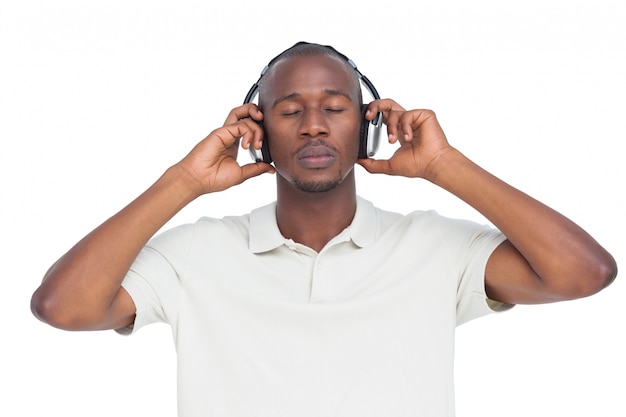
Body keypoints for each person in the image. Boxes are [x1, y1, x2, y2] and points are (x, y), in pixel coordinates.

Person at [31, 42, 617, 416]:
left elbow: (584, 273)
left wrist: (444, 166)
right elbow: (63, 307)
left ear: (367, 126)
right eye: (289, 110)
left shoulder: (437, 248)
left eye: (335, 108)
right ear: (256, 129)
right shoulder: (195, 255)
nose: (313, 125)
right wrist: (183, 181)